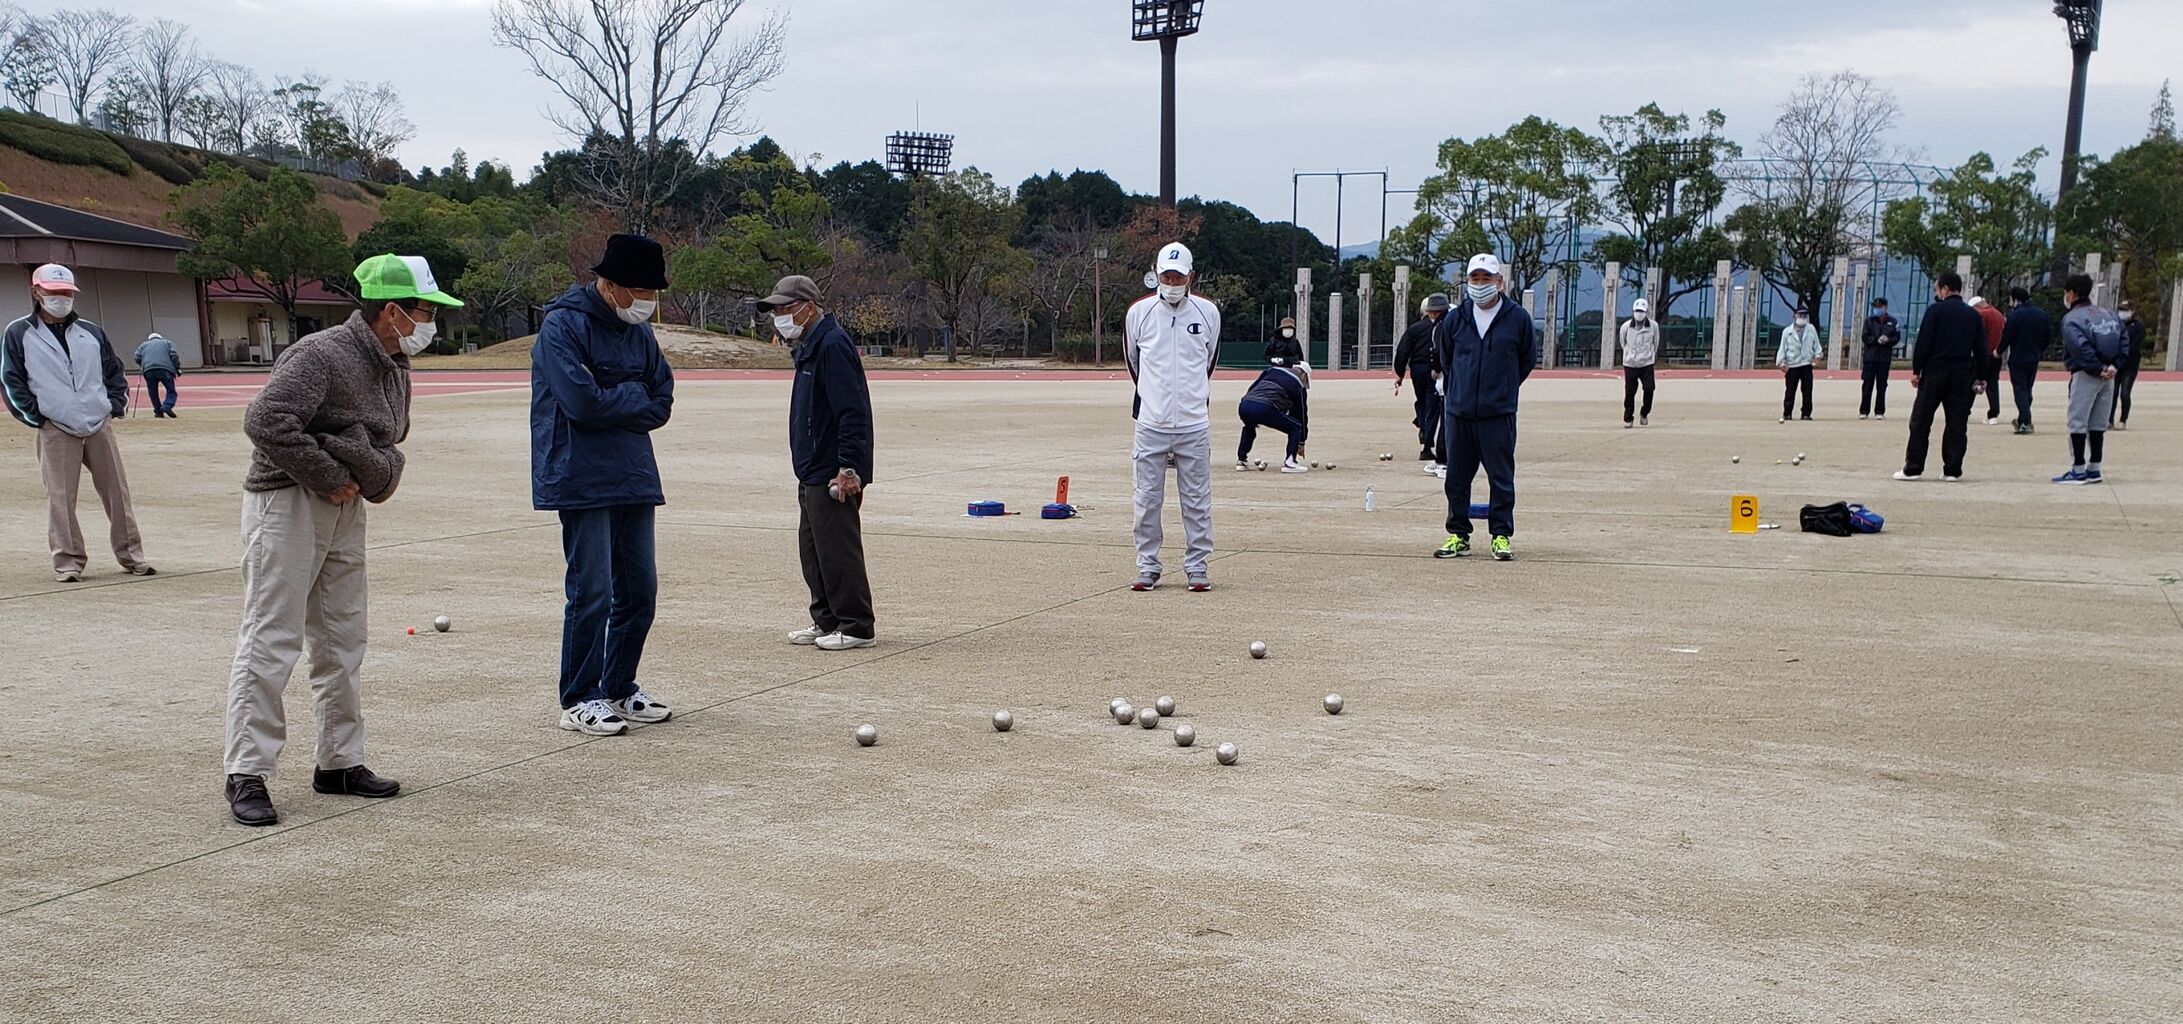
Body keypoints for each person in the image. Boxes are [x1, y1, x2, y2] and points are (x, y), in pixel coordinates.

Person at [222, 254, 458, 827]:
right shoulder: (322, 354)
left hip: (346, 505)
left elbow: (389, 440)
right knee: (272, 634)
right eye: (426, 311)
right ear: (393, 311)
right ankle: (247, 771)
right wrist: (331, 472)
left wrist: (356, 462)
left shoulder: (395, 365)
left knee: (341, 636)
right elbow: (267, 421)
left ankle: (340, 761)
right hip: (288, 502)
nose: (432, 324)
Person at [531, 234, 678, 737]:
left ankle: (619, 685)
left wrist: (619, 395)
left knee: (641, 590)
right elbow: (582, 405)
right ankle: (579, 696)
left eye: (653, 292)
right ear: (609, 284)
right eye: (639, 290)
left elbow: (662, 399)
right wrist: (630, 395)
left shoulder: (639, 334)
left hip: (633, 473)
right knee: (592, 589)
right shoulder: (562, 327)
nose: (647, 302)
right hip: (580, 475)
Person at [2, 262, 154, 583]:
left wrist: (113, 406)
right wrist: (37, 417)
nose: (61, 298)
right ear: (36, 292)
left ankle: (132, 555)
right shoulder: (19, 333)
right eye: (54, 292)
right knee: (61, 497)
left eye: (67, 293)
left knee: (117, 493)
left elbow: (114, 370)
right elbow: (11, 379)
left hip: (98, 423)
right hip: (55, 426)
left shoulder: (92, 331)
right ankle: (68, 562)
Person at [761, 274, 877, 650]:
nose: (780, 316)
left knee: (838, 548)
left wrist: (848, 468)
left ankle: (856, 624)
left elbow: (852, 412)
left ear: (809, 307)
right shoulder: (809, 347)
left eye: (786, 308)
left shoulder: (831, 345)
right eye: (776, 310)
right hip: (810, 468)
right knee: (813, 550)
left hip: (832, 469)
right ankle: (826, 619)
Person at [1124, 242, 1220, 592]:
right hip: (1151, 424)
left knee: (1197, 500)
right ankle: (1147, 565)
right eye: (1166, 274)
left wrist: (1189, 398)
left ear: (1190, 276)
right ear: (1156, 273)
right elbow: (1134, 364)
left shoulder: (1208, 313)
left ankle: (1197, 566)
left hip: (1194, 424)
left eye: (1178, 275)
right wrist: (1155, 399)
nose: (1172, 281)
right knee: (1146, 499)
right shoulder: (1139, 313)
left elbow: (1208, 363)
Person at [1432, 254, 1536, 562]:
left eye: (1486, 279)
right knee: (1457, 477)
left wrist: (1502, 388)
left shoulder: (1517, 319)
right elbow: (1447, 358)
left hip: (1498, 413)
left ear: (1499, 282)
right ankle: (1458, 534)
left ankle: (1501, 535)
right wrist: (1461, 390)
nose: (1480, 285)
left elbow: (1526, 360)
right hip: (1459, 412)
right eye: (1474, 279)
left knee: (1501, 477)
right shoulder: (1456, 319)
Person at [1895, 271, 1990, 482]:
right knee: (1957, 423)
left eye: (1937, 288)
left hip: (1935, 372)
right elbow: (1981, 349)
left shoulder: (1935, 311)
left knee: (1921, 421)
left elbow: (1923, 343)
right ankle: (1952, 470)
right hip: (1962, 374)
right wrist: (1981, 376)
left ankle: (1914, 468)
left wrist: (1916, 371)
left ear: (1945, 289)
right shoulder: (1973, 315)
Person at [2052, 274, 2128, 485]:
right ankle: (2095, 467)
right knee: (2098, 422)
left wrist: (2096, 368)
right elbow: (2124, 340)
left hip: (2086, 374)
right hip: (2110, 375)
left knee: (2077, 421)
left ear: (2071, 293)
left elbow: (2079, 347)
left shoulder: (2072, 319)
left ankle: (2077, 468)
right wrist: (2114, 366)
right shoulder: (2110, 315)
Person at [1392, 294, 1446, 458]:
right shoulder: (1445, 327)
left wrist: (1400, 374)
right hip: (1434, 371)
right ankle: (1427, 445)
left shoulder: (1414, 329)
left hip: (1417, 369)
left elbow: (1402, 351)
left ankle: (1423, 426)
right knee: (1433, 406)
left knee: (1421, 401)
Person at [1237, 354, 1309, 473]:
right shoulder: (1298, 384)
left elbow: (1253, 388)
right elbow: (1300, 413)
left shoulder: (1271, 371)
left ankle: (1241, 461)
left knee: (1249, 427)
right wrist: (1301, 441)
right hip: (1265, 407)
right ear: (1303, 374)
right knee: (1295, 427)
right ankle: (1290, 462)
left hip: (1245, 405)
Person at [1999, 287, 2051, 434]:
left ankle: (2026, 420)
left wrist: (1998, 351)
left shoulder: (2014, 316)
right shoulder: (2042, 315)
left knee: (2020, 389)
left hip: (2018, 357)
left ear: (2015, 299)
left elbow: (2007, 336)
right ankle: (2023, 419)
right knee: (2027, 388)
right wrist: (2040, 350)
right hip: (2034, 357)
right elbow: (2047, 337)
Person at [1618, 298, 1659, 428]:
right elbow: (1622, 342)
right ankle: (1628, 417)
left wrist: (1650, 355)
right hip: (1630, 364)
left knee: (1649, 388)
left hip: (1646, 363)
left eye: (1641, 311)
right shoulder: (1626, 327)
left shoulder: (1653, 326)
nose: (1639, 313)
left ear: (1646, 312)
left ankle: (1644, 412)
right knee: (1630, 391)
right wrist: (1629, 355)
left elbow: (1655, 342)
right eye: (1637, 310)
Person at [1858, 297, 1901, 419]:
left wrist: (1887, 341)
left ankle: (1879, 411)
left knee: (1882, 385)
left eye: (1879, 307)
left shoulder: (1892, 322)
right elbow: (1865, 337)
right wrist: (1876, 340)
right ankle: (1864, 411)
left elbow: (1896, 337)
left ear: (1885, 307)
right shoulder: (1869, 321)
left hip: (1884, 359)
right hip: (1870, 358)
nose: (1876, 309)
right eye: (1875, 307)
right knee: (1867, 384)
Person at [1775, 305, 1819, 422]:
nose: (1802, 317)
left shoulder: (1811, 329)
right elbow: (1782, 348)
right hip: (1792, 365)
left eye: (1804, 315)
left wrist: (1817, 357)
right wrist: (1781, 363)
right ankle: (1787, 413)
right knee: (1790, 391)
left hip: (1806, 364)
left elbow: (1817, 346)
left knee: (1807, 390)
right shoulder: (1787, 332)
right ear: (1794, 316)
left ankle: (1806, 413)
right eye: (1800, 315)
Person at [1970, 296, 2007, 424]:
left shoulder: (1981, 315)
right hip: (1996, 355)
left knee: (1973, 382)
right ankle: (1993, 414)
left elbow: (1977, 335)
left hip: (1982, 355)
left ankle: (1965, 410)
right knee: (1992, 385)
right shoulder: (1999, 314)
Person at [134, 331, 182, 418]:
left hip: (149, 370)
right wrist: (177, 368)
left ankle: (158, 411)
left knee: (153, 392)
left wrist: (142, 364)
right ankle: (167, 405)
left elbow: (137, 357)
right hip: (165, 369)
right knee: (170, 389)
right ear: (160, 338)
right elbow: (174, 355)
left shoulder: (143, 345)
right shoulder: (167, 343)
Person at [2113, 300, 2144, 430]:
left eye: (2125, 310)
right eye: (2121, 310)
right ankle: (2108, 419)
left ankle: (2123, 419)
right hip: (2115, 363)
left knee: (2125, 392)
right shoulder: (2115, 324)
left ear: (2132, 311)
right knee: (2112, 393)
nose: (2122, 313)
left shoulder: (2138, 327)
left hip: (2130, 365)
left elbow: (2133, 347)